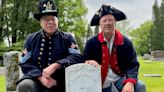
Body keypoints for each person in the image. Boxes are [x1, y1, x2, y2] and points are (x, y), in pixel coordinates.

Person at [16, 0, 83, 92]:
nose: (50, 22)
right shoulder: (31, 39)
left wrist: (56, 65)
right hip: (37, 79)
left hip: (62, 80)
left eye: (53, 18)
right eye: (46, 19)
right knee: (25, 85)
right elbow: (25, 63)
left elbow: (77, 57)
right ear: (40, 22)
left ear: (57, 21)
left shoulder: (68, 38)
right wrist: (40, 77)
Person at [83, 4, 146, 92]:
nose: (108, 23)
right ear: (100, 25)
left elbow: (133, 64)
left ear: (115, 22)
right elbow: (83, 61)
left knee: (140, 86)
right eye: (104, 21)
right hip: (97, 84)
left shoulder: (126, 42)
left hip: (118, 81)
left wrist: (130, 82)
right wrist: (87, 62)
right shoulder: (91, 43)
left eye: (110, 20)